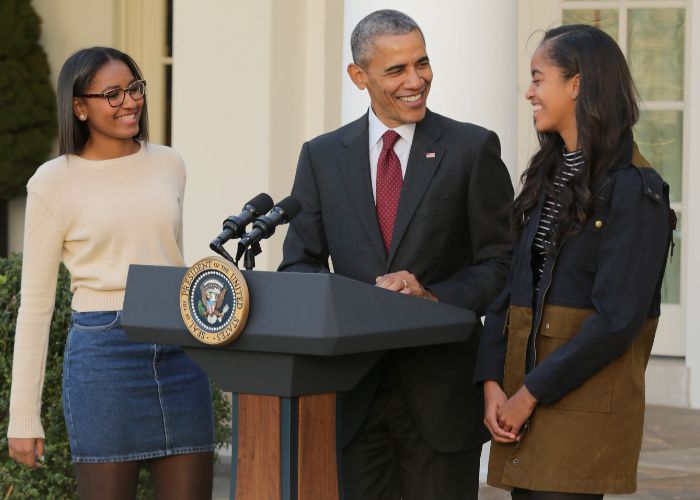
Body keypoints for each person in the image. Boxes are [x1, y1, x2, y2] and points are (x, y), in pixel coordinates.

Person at [279, 9, 513, 500]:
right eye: (396, 70)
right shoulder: (321, 156)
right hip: (353, 393)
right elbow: (300, 265)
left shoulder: (472, 149)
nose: (416, 80)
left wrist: (431, 296)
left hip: (441, 396)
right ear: (358, 77)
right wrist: (353, 307)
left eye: (421, 63)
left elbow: (501, 265)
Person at [475, 25, 675, 499]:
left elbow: (617, 320)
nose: (529, 92)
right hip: (527, 395)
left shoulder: (635, 190)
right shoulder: (549, 175)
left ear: (577, 85)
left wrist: (528, 395)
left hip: (578, 405)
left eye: (538, 78)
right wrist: (491, 382)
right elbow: (512, 285)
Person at [7, 47, 215, 499]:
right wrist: (23, 415)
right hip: (105, 358)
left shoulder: (169, 164)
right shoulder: (52, 181)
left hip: (182, 350)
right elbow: (36, 306)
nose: (130, 101)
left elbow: (166, 254)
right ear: (79, 107)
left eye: (135, 88)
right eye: (113, 93)